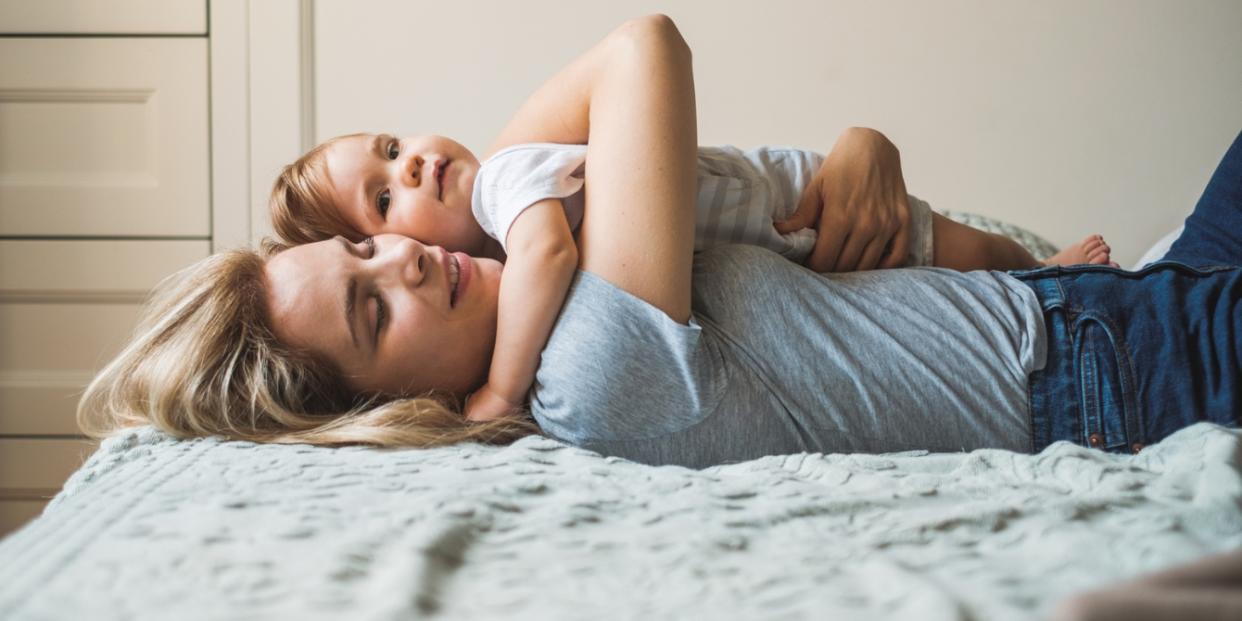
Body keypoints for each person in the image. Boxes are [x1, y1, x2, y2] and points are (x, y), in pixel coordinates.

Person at [79, 15, 1238, 468]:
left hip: (1095, 316)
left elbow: (507, 179)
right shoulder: (591, 366)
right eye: (374, 308)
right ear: (382, 408)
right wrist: (501, 373)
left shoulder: (552, 269)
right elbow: (644, 46)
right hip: (1116, 374)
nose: (412, 257)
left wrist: (863, 140)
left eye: (373, 253)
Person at [265, 27, 1114, 423]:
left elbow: (642, 47)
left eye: (390, 146)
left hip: (785, 200)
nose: (409, 168)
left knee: (969, 246)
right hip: (1031, 342)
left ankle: (1043, 267)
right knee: (945, 254)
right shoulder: (580, 350)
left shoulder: (508, 176)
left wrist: (865, 146)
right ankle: (1047, 274)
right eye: (381, 199)